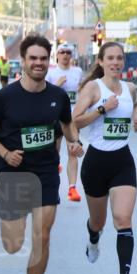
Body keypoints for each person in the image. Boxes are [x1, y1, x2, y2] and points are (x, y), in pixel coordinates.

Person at [0, 34, 84, 274]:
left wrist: (74, 141)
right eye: (32, 58)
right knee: (13, 244)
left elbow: (67, 123)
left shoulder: (57, 96)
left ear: (48, 62)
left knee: (43, 235)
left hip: (46, 172)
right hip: (13, 173)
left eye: (42, 58)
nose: (38, 63)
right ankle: (11, 222)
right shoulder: (5, 97)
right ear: (23, 61)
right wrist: (5, 152)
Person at [73, 41, 137, 274]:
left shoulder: (130, 88)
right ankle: (93, 238)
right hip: (96, 162)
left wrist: (136, 116)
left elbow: (133, 102)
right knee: (99, 221)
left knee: (123, 218)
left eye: (119, 58)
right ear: (101, 61)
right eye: (110, 58)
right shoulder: (93, 88)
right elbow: (75, 122)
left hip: (122, 161)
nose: (115, 62)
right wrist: (102, 109)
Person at [46, 44, 85, 202]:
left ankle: (72, 189)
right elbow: (44, 94)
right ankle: (53, 186)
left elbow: (81, 91)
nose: (65, 55)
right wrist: (56, 86)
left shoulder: (78, 71)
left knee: (73, 151)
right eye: (62, 52)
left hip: (72, 118)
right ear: (57, 55)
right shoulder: (51, 73)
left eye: (68, 52)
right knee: (54, 152)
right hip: (55, 117)